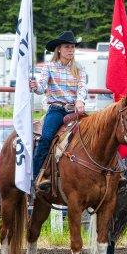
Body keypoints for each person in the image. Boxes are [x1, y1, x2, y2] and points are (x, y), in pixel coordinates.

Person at [29, 31, 87, 191]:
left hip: (75, 111)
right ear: (59, 49)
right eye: (67, 47)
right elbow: (41, 88)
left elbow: (82, 87)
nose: (71, 50)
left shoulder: (79, 68)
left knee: (94, 134)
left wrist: (80, 100)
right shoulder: (49, 67)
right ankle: (35, 176)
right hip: (57, 110)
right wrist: (35, 87)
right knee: (46, 138)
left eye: (73, 47)